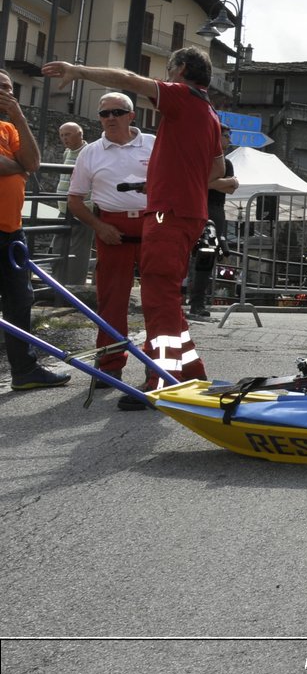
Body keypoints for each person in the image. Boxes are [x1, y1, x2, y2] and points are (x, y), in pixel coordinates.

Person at [44, 49, 226, 408]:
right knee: (163, 299)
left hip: (165, 216)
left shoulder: (181, 96)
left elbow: (128, 80)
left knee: (159, 301)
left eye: (168, 70)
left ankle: (163, 380)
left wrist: (77, 69)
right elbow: (217, 170)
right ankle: (187, 374)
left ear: (182, 70)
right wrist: (170, 182)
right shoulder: (209, 113)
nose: (164, 78)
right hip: (181, 213)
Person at [65, 92, 156, 384]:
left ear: (132, 116)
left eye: (117, 112)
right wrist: (99, 226)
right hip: (110, 228)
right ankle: (110, 365)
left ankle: (159, 367)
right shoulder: (90, 152)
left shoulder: (155, 144)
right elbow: (75, 200)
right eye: (104, 114)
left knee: (160, 300)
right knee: (111, 301)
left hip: (153, 225)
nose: (110, 118)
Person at [0, 70, 70, 391]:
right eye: (0, 87)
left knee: (20, 301)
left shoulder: (10, 128)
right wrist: (19, 165)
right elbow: (20, 165)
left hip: (12, 231)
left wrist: (17, 114)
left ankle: (24, 370)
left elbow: (34, 162)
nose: (5, 92)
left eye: (9, 89)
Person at [187, 126, 239, 320]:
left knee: (206, 258)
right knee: (187, 255)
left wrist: (204, 181)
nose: (229, 139)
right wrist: (223, 181)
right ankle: (181, 299)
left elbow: (231, 188)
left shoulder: (227, 163)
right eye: (226, 136)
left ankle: (197, 303)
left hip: (215, 210)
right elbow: (228, 184)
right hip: (195, 207)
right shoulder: (198, 158)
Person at [56, 121, 93, 287]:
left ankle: (74, 288)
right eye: (62, 135)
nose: (64, 138)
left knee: (78, 251)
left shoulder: (90, 152)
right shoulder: (67, 152)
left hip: (81, 208)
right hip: (64, 209)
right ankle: (57, 286)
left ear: (80, 135)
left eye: (68, 134)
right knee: (57, 248)